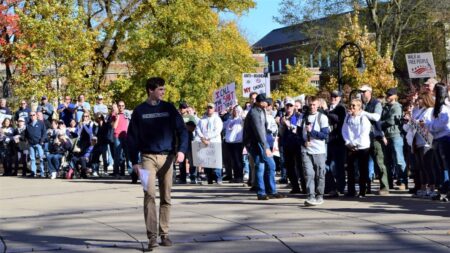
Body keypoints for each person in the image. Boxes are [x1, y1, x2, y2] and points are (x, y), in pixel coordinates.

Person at [127, 77, 188, 250]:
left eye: (163, 89)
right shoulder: (139, 111)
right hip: (147, 159)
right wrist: (134, 162)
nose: (163, 92)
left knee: (166, 197)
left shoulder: (169, 108)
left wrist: (182, 150)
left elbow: (182, 130)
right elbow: (131, 138)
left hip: (168, 158)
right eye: (160, 89)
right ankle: (152, 237)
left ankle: (164, 233)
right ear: (150, 90)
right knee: (149, 195)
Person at [243, 93, 284, 200]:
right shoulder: (254, 113)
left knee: (270, 166)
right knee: (261, 166)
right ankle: (262, 192)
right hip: (255, 143)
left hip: (260, 142)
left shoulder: (261, 110)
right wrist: (266, 148)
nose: (266, 103)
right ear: (259, 102)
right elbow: (259, 131)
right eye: (264, 102)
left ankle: (271, 191)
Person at [297, 96, 329, 206]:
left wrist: (313, 132)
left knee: (320, 174)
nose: (312, 107)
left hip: (319, 150)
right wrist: (303, 142)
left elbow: (325, 135)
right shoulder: (302, 117)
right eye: (310, 104)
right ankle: (310, 196)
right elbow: (297, 135)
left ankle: (320, 195)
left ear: (318, 105)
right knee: (309, 173)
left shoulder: (322, 117)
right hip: (306, 150)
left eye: (314, 104)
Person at [360, 84, 389, 195]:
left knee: (379, 162)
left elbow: (377, 117)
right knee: (365, 164)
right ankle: (367, 187)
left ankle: (384, 187)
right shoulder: (361, 104)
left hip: (375, 136)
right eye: (361, 92)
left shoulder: (376, 103)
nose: (362, 94)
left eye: (364, 91)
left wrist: (363, 113)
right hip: (363, 138)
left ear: (369, 92)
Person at [342, 99, 372, 198]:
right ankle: (351, 191)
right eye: (350, 105)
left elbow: (364, 133)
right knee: (350, 170)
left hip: (362, 147)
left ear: (359, 107)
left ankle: (363, 191)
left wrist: (355, 143)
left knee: (362, 170)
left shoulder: (363, 118)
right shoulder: (347, 117)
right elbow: (344, 130)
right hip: (350, 147)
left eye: (354, 106)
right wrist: (348, 143)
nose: (351, 107)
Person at [425, 83, 450, 201]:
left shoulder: (445, 108)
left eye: (435, 91)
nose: (432, 93)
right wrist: (430, 125)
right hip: (437, 139)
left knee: (446, 167)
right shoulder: (437, 107)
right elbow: (433, 123)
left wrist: (430, 126)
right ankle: (442, 190)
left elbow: (441, 124)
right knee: (439, 167)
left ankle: (446, 190)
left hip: (444, 139)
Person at [381, 88, 407, 190]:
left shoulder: (397, 107)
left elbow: (391, 121)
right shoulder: (385, 107)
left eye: (390, 95)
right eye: (387, 95)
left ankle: (403, 182)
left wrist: (380, 123)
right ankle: (389, 182)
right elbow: (382, 119)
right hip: (386, 136)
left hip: (396, 135)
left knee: (399, 160)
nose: (388, 97)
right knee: (387, 161)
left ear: (395, 96)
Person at [195, 103, 224, 184]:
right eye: (208, 107)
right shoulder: (202, 119)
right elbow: (198, 129)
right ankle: (209, 178)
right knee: (206, 161)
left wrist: (207, 138)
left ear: (214, 109)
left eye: (211, 108)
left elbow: (217, 131)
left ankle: (218, 178)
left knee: (216, 161)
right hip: (204, 142)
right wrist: (202, 138)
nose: (209, 109)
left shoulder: (217, 119)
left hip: (214, 142)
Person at [278, 98, 303, 194]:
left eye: (290, 105)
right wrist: (281, 124)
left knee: (300, 166)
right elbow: (280, 132)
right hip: (287, 144)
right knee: (289, 166)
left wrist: (288, 124)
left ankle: (304, 187)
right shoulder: (283, 117)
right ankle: (295, 186)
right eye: (287, 105)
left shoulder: (298, 116)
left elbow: (297, 130)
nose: (289, 107)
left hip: (297, 144)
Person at [325, 90, 347, 197]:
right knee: (327, 165)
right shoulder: (329, 108)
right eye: (332, 96)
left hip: (338, 140)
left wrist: (327, 112)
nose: (333, 98)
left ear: (339, 98)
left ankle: (340, 187)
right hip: (329, 140)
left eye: (336, 97)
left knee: (338, 165)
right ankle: (331, 187)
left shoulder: (341, 108)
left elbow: (338, 119)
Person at [223, 105, 244, 183]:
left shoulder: (240, 120)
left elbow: (244, 119)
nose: (235, 112)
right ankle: (235, 176)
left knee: (238, 160)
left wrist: (241, 114)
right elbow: (222, 125)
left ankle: (240, 176)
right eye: (234, 110)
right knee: (233, 161)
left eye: (237, 110)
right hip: (229, 142)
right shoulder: (229, 120)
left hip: (237, 142)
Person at [111, 100, 131, 177]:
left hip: (126, 136)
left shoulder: (127, 114)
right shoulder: (114, 114)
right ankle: (116, 172)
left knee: (128, 155)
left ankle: (130, 172)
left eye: (122, 106)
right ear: (117, 106)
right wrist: (117, 117)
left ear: (124, 106)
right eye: (119, 105)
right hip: (117, 136)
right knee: (117, 155)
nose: (121, 107)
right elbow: (114, 126)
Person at [25, 111, 47, 177]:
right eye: (31, 115)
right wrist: (27, 141)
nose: (32, 116)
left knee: (41, 158)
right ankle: (33, 172)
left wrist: (41, 141)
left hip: (39, 144)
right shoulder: (28, 124)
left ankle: (42, 172)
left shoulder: (41, 123)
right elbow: (26, 134)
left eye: (33, 115)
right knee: (32, 159)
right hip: (31, 144)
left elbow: (44, 133)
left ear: (36, 115)